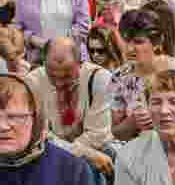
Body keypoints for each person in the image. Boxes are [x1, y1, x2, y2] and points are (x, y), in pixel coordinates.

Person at [25, 37, 114, 176]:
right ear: (44, 65)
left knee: (106, 155)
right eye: (52, 76)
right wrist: (81, 153)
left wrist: (73, 154)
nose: (59, 83)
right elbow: (39, 135)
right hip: (49, 154)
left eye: (67, 75)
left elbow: (99, 134)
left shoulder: (100, 78)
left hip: (94, 150)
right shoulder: (32, 82)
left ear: (80, 64)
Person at [111, 8, 175, 142]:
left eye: (138, 42)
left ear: (156, 43)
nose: (130, 49)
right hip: (138, 154)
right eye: (126, 41)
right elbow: (116, 132)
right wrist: (132, 123)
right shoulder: (120, 76)